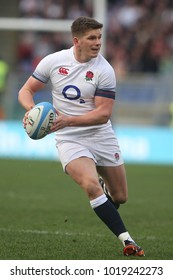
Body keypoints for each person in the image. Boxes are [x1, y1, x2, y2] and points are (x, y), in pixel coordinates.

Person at [18, 16, 145, 257]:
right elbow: (26, 90)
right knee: (90, 185)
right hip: (68, 138)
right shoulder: (53, 61)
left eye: (99, 37)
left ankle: (107, 191)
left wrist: (67, 119)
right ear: (77, 41)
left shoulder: (104, 70)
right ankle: (127, 240)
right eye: (92, 38)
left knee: (120, 197)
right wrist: (31, 111)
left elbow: (102, 114)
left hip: (100, 135)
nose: (98, 42)